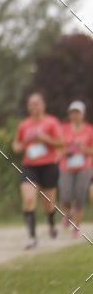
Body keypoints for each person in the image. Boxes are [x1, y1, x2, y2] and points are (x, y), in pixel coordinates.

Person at [12, 93, 63, 249]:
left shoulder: (51, 122)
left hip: (49, 165)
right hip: (30, 166)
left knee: (48, 203)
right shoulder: (24, 125)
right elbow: (16, 146)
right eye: (31, 104)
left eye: (37, 103)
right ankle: (32, 238)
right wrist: (21, 145)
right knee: (28, 199)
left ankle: (51, 222)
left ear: (43, 105)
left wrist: (44, 138)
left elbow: (61, 143)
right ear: (28, 107)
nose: (34, 107)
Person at [58, 100, 93, 238]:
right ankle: (68, 214)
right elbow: (57, 146)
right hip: (66, 166)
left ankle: (76, 227)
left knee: (79, 198)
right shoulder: (63, 128)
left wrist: (85, 149)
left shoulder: (89, 130)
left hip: (83, 167)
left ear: (82, 114)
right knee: (65, 196)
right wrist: (65, 151)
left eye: (77, 112)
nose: (74, 115)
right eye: (72, 112)